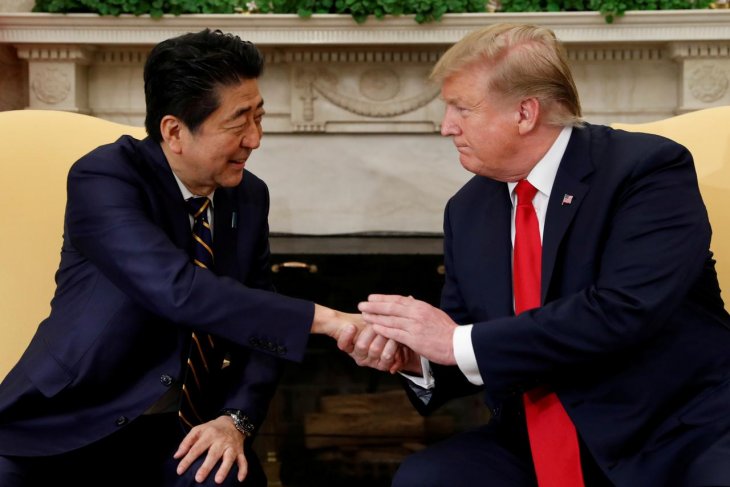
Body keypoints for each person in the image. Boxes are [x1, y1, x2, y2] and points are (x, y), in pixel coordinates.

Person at [352, 23, 730, 487]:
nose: (446, 126)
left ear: (525, 113)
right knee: (427, 477)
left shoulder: (646, 171)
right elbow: (468, 331)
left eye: (461, 108)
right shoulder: (468, 209)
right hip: (533, 433)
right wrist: (417, 358)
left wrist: (452, 343)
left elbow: (623, 311)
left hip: (671, 429)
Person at [0, 28, 367, 487]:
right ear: (174, 131)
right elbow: (175, 289)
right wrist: (327, 320)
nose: (255, 138)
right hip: (67, 417)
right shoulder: (105, 177)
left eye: (259, 116)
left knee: (223, 478)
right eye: (238, 122)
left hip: (184, 429)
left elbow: (260, 327)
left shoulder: (248, 196)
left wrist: (236, 419)